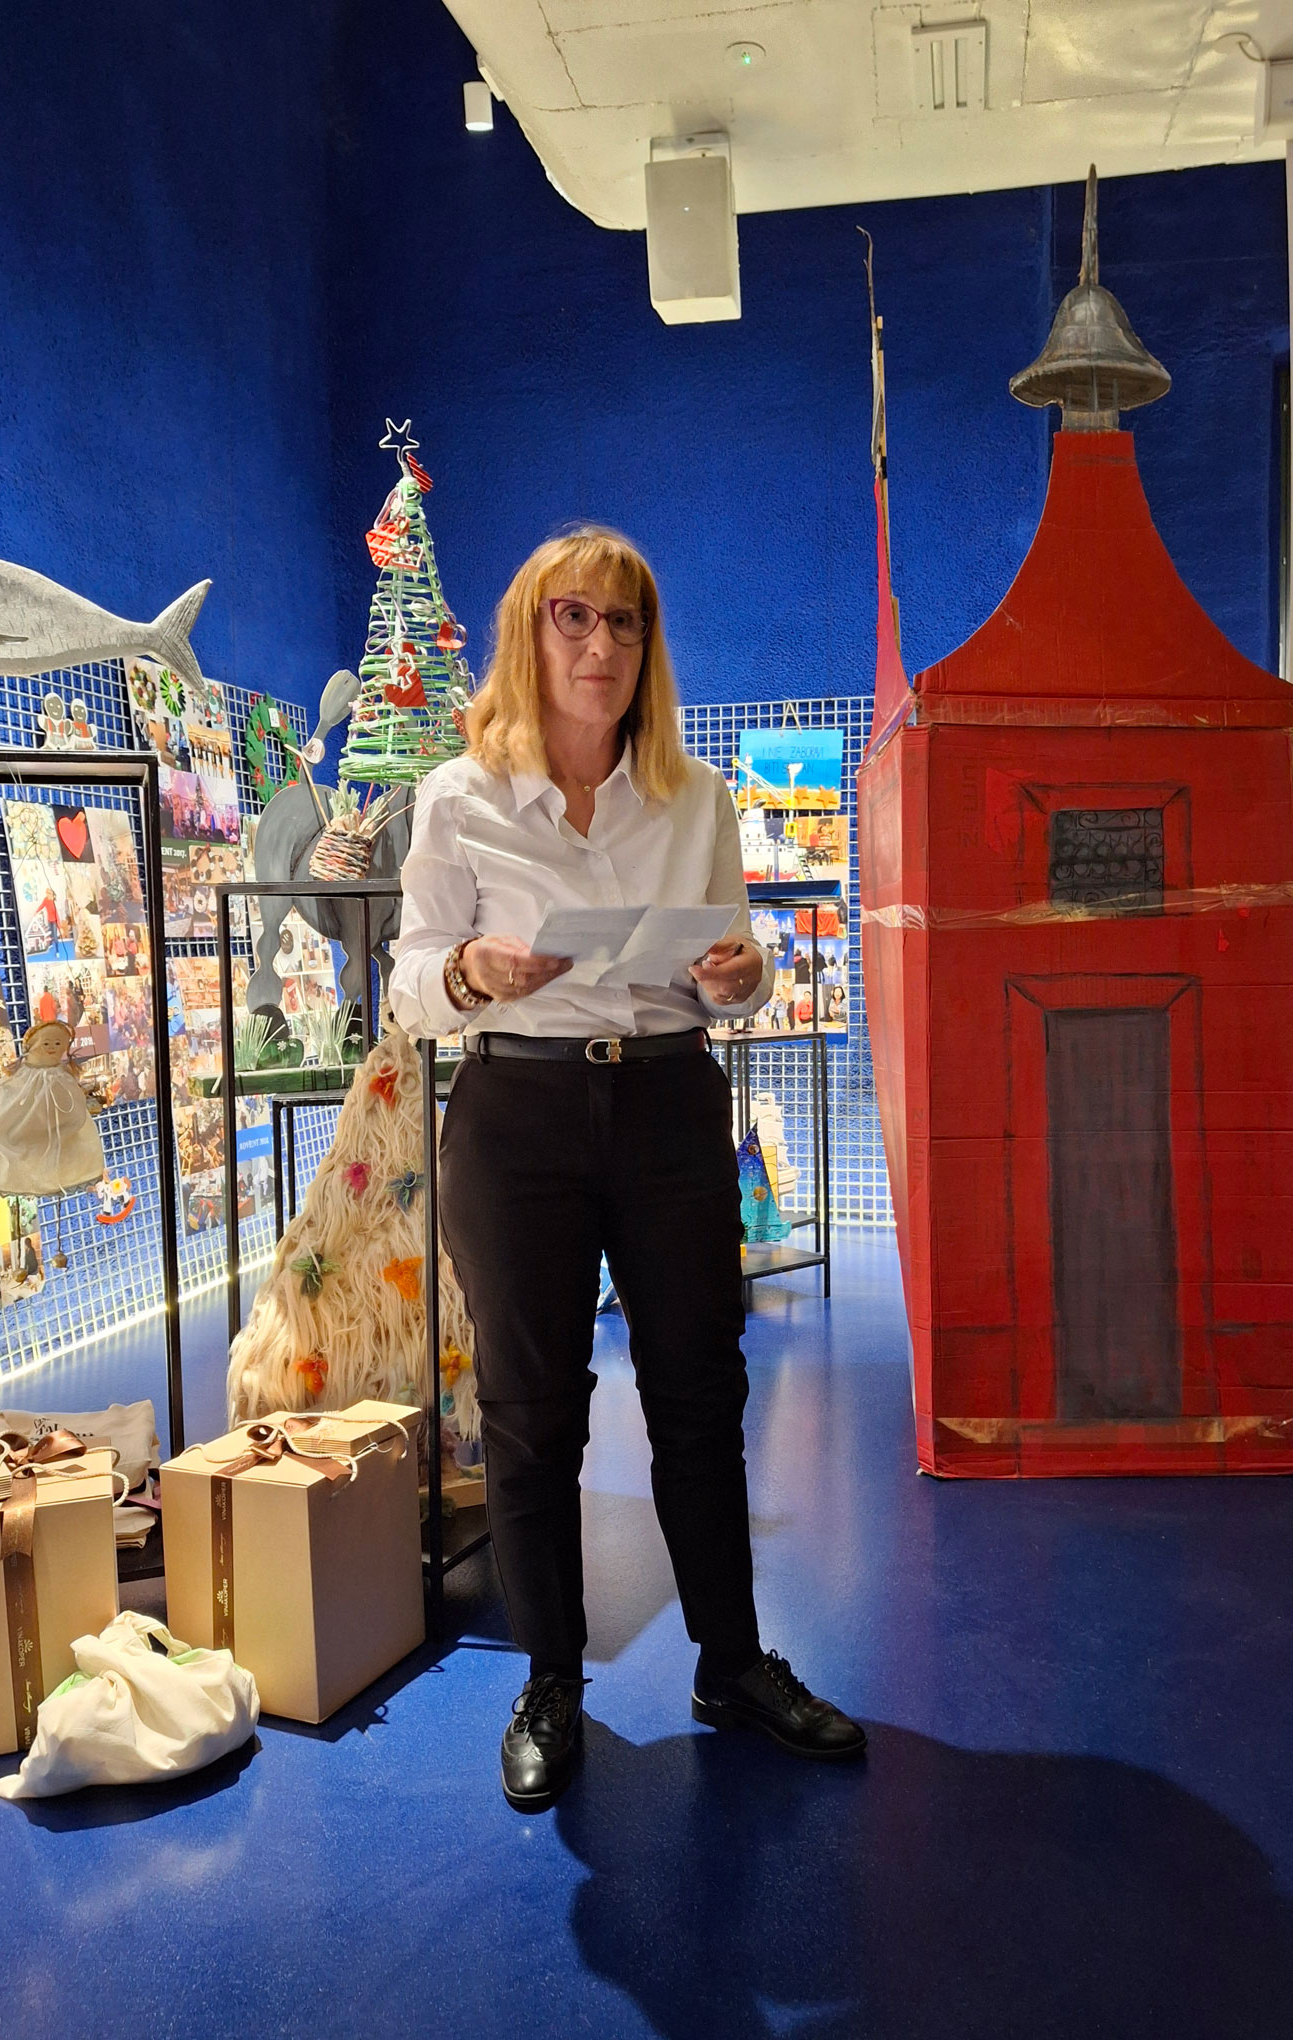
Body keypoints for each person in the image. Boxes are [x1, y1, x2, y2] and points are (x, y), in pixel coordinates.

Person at [392, 526, 865, 1813]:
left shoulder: (694, 797)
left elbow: (733, 971)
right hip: (518, 1113)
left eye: (624, 622)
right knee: (532, 1409)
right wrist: (468, 970)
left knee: (700, 1391)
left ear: (647, 646)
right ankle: (552, 1677)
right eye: (574, 617)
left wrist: (742, 973)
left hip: (664, 1102)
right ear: (529, 632)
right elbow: (409, 982)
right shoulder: (459, 798)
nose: (600, 643)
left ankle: (731, 1662)